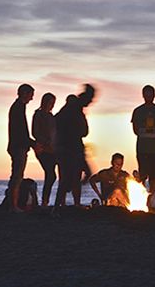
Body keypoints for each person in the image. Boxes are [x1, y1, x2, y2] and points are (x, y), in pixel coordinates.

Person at [52, 84, 96, 212]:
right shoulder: (73, 108)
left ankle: (69, 199)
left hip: (73, 147)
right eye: (91, 98)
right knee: (68, 178)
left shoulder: (75, 108)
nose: (91, 102)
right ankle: (57, 207)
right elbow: (81, 130)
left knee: (80, 174)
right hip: (69, 148)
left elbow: (83, 130)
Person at [6, 84, 37, 212]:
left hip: (18, 145)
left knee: (17, 175)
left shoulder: (18, 107)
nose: (32, 98)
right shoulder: (18, 108)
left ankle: (12, 203)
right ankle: (13, 205)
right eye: (31, 95)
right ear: (24, 93)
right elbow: (21, 131)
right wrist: (32, 143)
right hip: (18, 146)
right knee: (17, 175)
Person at [131, 85, 155, 194]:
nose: (148, 96)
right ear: (143, 95)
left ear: (154, 95)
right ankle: (142, 197)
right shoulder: (137, 111)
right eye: (146, 94)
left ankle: (151, 198)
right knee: (142, 174)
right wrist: (146, 136)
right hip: (142, 149)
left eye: (150, 94)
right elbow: (135, 130)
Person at [32, 92, 57, 206]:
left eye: (53, 103)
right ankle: (44, 201)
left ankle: (47, 201)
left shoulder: (51, 117)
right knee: (50, 174)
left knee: (51, 175)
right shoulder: (38, 114)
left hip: (53, 148)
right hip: (43, 148)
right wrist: (46, 142)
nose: (51, 105)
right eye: (50, 102)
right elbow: (35, 132)